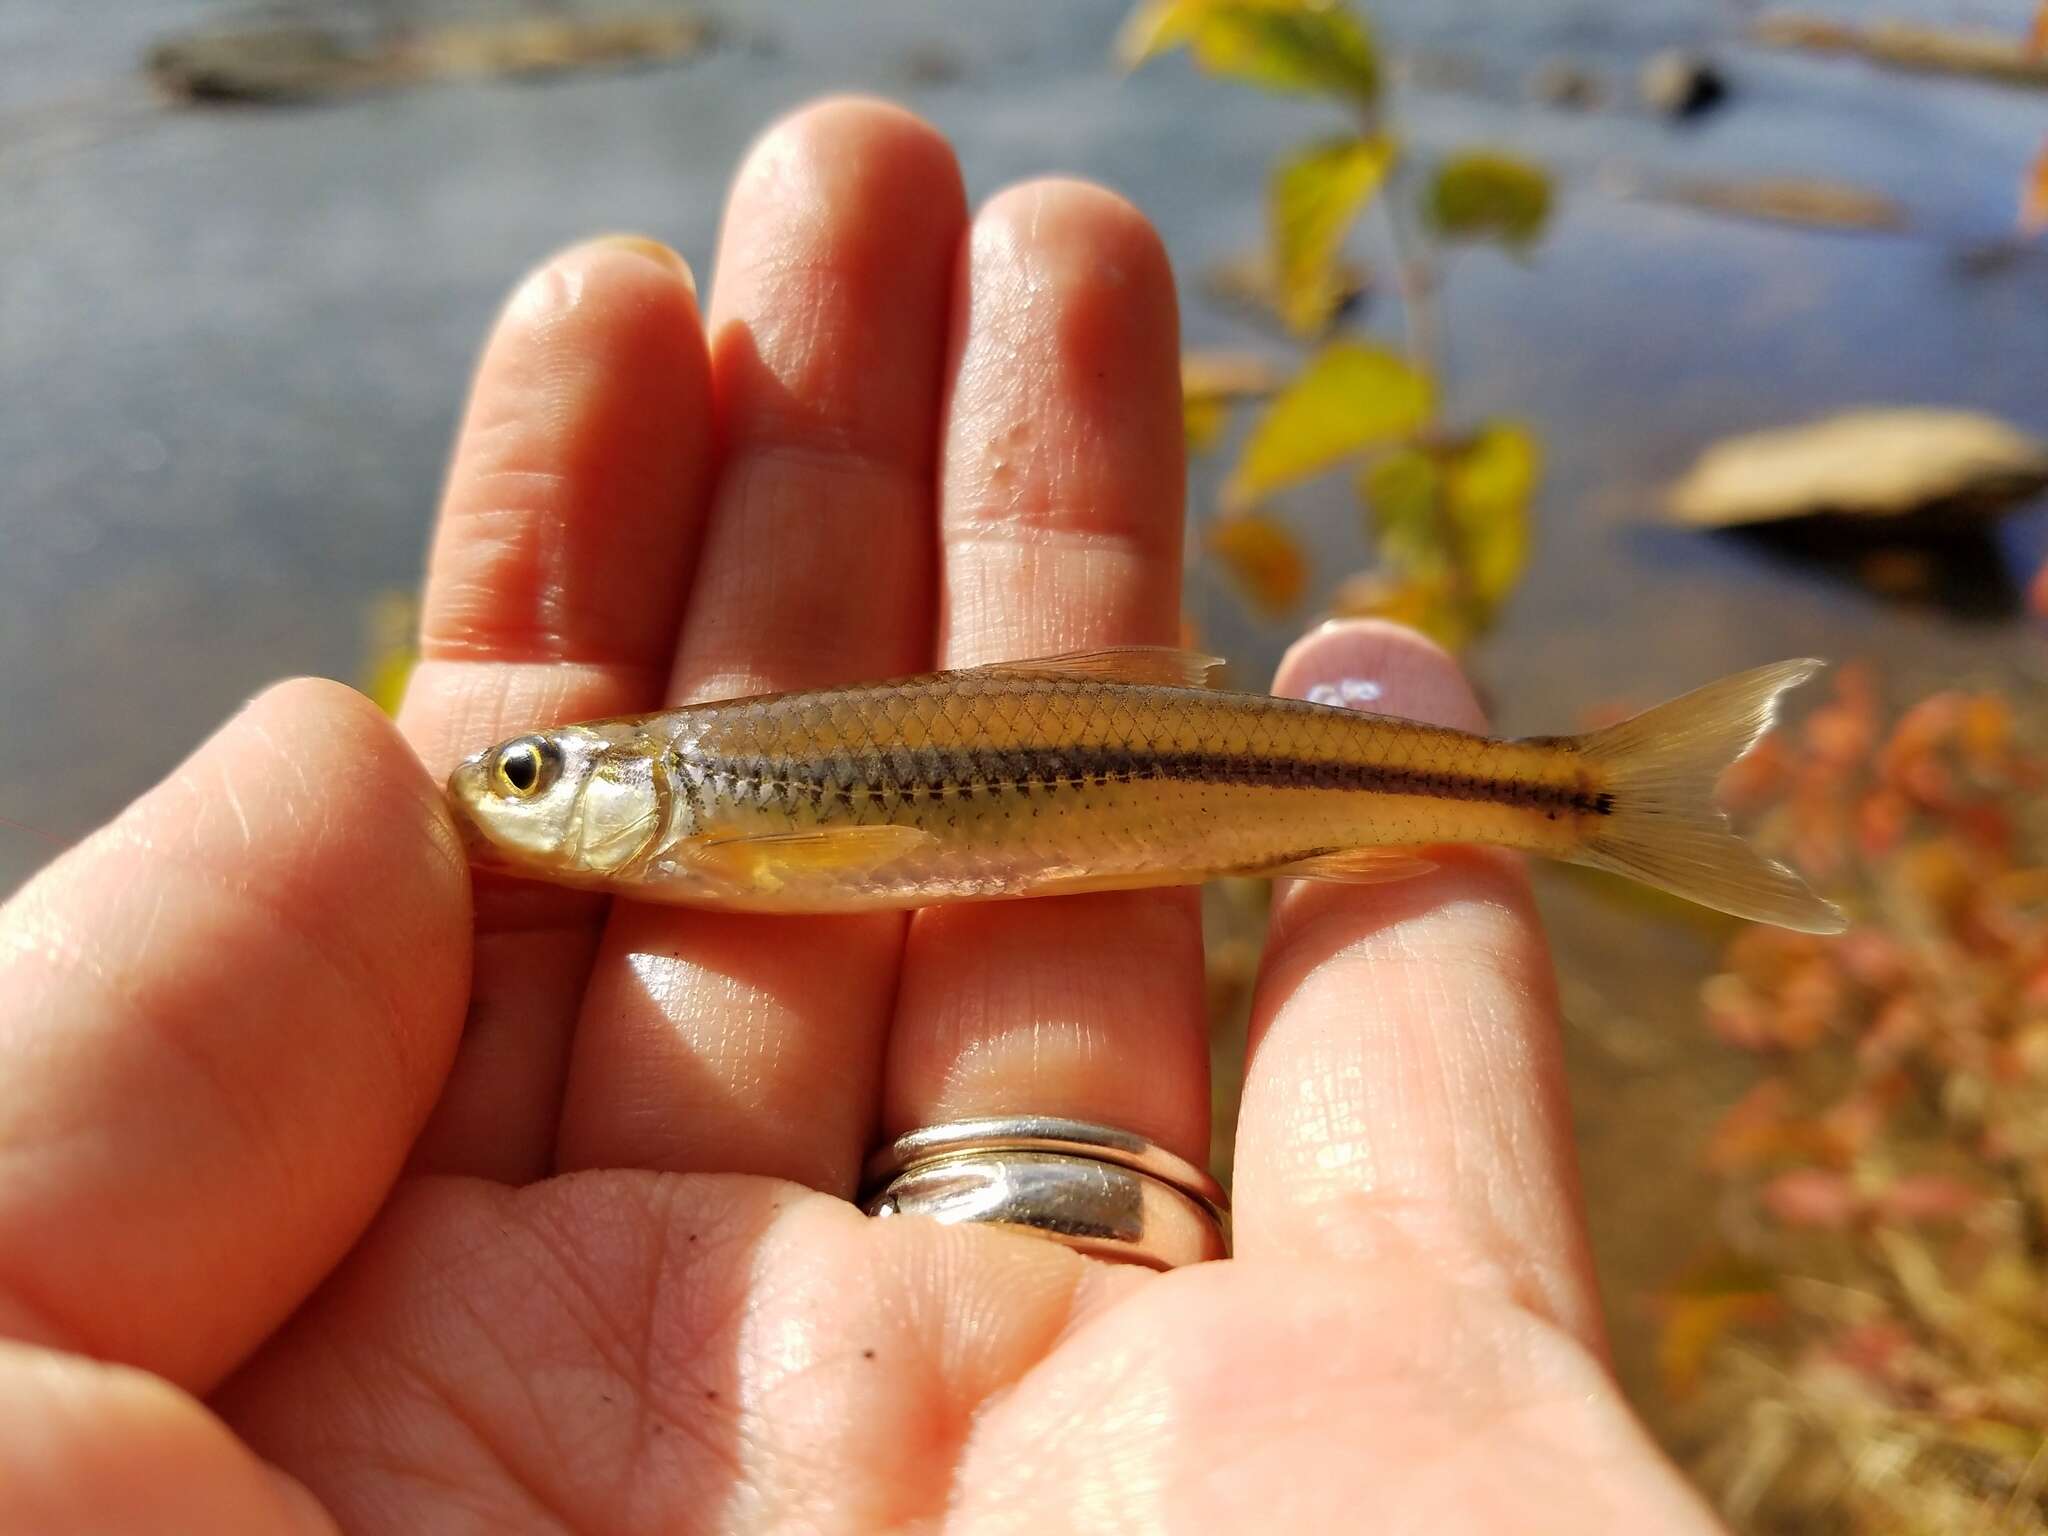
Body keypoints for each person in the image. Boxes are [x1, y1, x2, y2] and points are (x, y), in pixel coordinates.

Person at [0, 98, 1729, 1532]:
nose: (493, 794)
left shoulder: (705, 799)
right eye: (518, 772)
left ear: (635, 784)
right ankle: (1557, 795)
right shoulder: (704, 796)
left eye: (532, 774)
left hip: (1196, 787)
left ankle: (1572, 794)